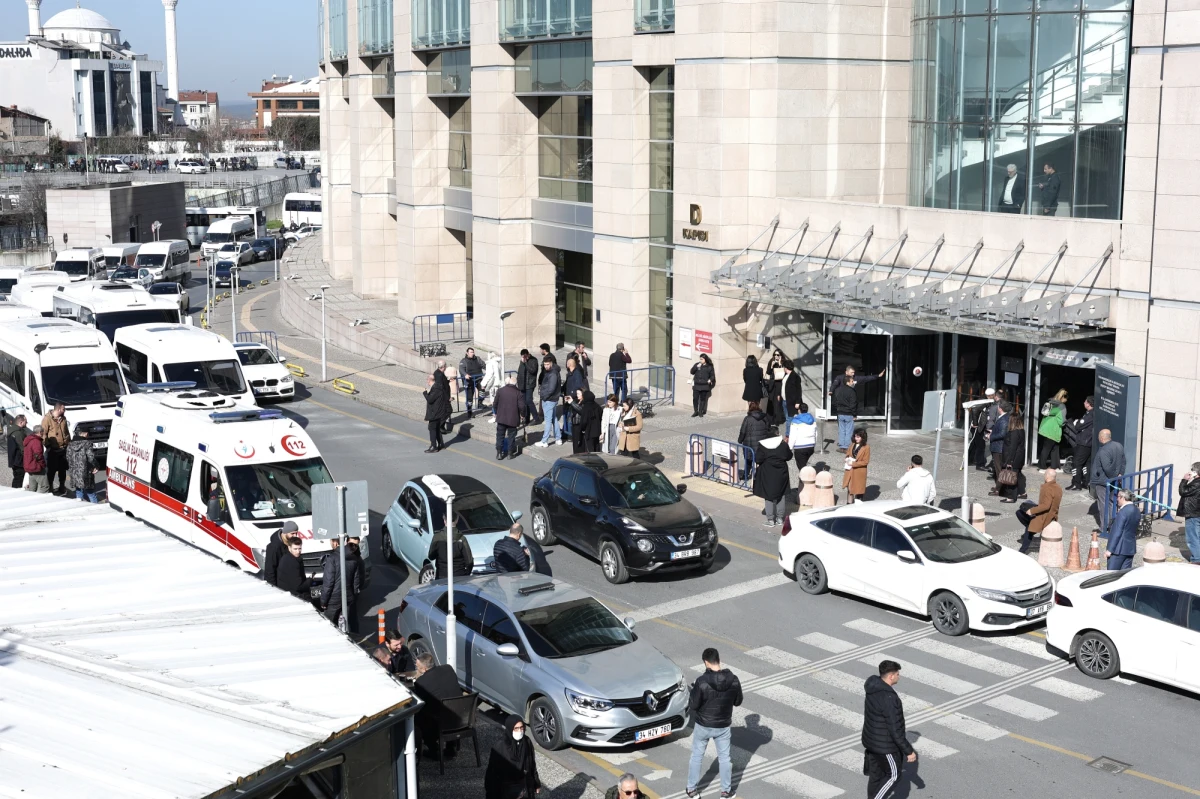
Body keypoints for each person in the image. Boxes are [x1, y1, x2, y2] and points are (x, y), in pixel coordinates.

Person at [685, 648, 742, 799]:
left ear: (706, 662)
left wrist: (693, 691)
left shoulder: (702, 681)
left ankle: (692, 790)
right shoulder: (734, 679)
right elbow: (738, 701)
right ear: (719, 659)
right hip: (723, 726)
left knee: (697, 756)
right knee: (725, 758)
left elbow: (694, 705)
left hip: (703, 725)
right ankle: (725, 792)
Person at [861, 660, 916, 799]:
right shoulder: (889, 698)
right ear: (891, 676)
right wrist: (908, 751)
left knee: (876, 777)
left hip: (871, 741)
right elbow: (895, 728)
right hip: (885, 746)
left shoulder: (873, 687)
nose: (899, 676)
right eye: (897, 674)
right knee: (894, 775)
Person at [412, 653, 466, 756]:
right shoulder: (448, 669)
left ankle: (434, 750)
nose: (417, 669)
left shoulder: (421, 682)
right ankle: (451, 747)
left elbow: (421, 703)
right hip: (463, 717)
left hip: (442, 724)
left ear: (423, 669)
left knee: (418, 717)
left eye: (418, 667)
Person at [485, 715, 541, 799]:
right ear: (510, 728)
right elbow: (492, 773)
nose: (520, 731)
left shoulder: (526, 742)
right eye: (516, 728)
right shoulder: (500, 746)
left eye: (521, 728)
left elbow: (531, 764)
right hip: (506, 790)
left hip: (524, 787)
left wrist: (536, 783)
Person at [320, 538, 363, 633]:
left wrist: (324, 601)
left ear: (335, 543)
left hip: (334, 599)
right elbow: (356, 581)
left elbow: (328, 582)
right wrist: (354, 596)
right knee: (349, 622)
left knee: (329, 625)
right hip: (348, 597)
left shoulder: (332, 559)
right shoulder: (354, 559)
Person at [1017, 469, 1062, 554]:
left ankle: (1022, 551)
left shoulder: (1047, 488)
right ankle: (1029, 528)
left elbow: (1046, 505)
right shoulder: (1058, 487)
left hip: (1044, 516)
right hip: (1052, 515)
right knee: (1021, 514)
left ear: (1047, 476)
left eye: (1045, 474)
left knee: (1028, 526)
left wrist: (1032, 510)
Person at [753, 433, 792, 527]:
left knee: (768, 495)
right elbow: (789, 456)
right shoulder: (783, 444)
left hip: (767, 472)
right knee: (781, 495)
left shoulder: (763, 445)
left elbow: (758, 459)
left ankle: (770, 520)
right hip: (781, 473)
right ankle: (779, 518)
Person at [1090, 428, 1126, 528]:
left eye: (1098, 436)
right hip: (1114, 481)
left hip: (1104, 482)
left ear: (1101, 438)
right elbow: (1123, 462)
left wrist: (1113, 477)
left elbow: (1107, 468)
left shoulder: (1103, 450)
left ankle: (1104, 527)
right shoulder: (1119, 446)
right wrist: (1120, 474)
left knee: (1103, 505)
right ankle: (1111, 524)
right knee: (1112, 503)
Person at [493, 375, 528, 461]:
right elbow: (522, 406)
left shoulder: (501, 390)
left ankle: (499, 453)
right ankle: (510, 453)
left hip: (501, 418)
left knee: (500, 435)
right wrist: (523, 415)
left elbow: (495, 403)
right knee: (511, 436)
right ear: (516, 384)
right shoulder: (519, 393)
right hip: (513, 419)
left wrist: (496, 412)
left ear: (508, 382)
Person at [998, 411, 1027, 503]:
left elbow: (1012, 448)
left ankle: (1011, 497)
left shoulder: (1014, 433)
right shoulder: (1021, 431)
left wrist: (1009, 461)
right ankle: (1022, 492)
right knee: (1017, 475)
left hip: (1013, 459)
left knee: (1010, 476)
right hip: (1019, 458)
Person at [1066, 396, 1094, 490]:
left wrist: (1076, 422)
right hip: (1088, 442)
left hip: (1084, 443)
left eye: (1085, 401)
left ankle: (1076, 483)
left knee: (1076, 463)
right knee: (1086, 463)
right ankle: (1085, 482)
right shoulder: (1091, 414)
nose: (1084, 403)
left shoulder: (1090, 415)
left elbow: (1078, 426)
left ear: (1089, 404)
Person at [42, 402, 70, 495]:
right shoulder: (47, 419)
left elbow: (66, 432)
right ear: (58, 409)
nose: (64, 411)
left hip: (63, 449)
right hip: (53, 449)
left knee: (63, 469)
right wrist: (48, 445)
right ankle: (50, 488)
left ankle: (62, 486)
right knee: (51, 470)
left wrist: (68, 442)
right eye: (63, 409)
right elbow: (44, 434)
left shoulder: (63, 419)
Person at [1107, 489, 1139, 570]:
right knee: (1124, 577)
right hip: (1130, 549)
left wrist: (1110, 550)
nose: (1117, 499)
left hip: (1118, 550)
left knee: (1112, 576)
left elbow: (1117, 532)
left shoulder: (1123, 512)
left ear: (1123, 498)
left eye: (1118, 497)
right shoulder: (1137, 510)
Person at [65, 429, 100, 502]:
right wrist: (96, 466)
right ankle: (96, 509)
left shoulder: (70, 445)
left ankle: (80, 505)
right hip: (86, 471)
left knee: (78, 490)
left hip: (74, 472)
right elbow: (91, 457)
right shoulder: (87, 444)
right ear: (86, 434)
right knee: (91, 492)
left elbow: (68, 458)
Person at [263, 520, 301, 587]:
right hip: (281, 585)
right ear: (285, 533)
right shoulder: (273, 547)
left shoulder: (291, 543)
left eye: (296, 533)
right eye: (292, 533)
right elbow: (270, 570)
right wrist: (273, 588)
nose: (295, 536)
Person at [535, 357, 563, 448]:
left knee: (548, 421)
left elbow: (551, 389)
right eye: (545, 364)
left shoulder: (552, 373)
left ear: (551, 363)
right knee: (553, 419)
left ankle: (544, 441)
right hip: (552, 399)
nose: (546, 366)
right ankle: (558, 438)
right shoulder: (552, 372)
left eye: (547, 364)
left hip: (549, 400)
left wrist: (544, 397)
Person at [1037, 389, 1068, 470]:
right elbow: (1061, 421)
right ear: (1063, 398)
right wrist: (1066, 423)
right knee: (1047, 449)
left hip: (1045, 428)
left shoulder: (1050, 403)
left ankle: (1055, 466)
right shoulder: (1062, 407)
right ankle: (1041, 466)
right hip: (1053, 430)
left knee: (1054, 448)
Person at [832, 369, 860, 452]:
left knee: (841, 430)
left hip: (840, 413)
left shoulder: (837, 390)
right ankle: (847, 446)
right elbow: (853, 404)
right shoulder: (852, 391)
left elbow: (834, 402)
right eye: (852, 381)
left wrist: (838, 408)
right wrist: (854, 414)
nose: (853, 382)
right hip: (849, 413)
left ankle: (842, 446)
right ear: (847, 382)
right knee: (849, 431)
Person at [1178, 463, 1200, 564]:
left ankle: (1197, 560)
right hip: (1196, 513)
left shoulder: (1197, 483)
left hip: (1193, 513)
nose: (1190, 471)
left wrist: (1184, 480)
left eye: (1192, 469)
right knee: (1197, 536)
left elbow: (1183, 491)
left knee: (1192, 538)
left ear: (1196, 472)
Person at [423, 372, 451, 453]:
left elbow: (430, 399)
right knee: (437, 428)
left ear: (429, 380)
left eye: (427, 380)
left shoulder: (435, 388)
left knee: (432, 428)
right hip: (439, 412)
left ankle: (433, 446)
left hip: (435, 413)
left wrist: (425, 393)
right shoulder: (439, 387)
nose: (427, 381)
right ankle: (441, 444)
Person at [968, 389, 995, 469]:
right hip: (977, 426)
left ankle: (970, 460)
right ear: (990, 395)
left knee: (975, 443)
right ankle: (980, 464)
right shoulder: (983, 401)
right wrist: (975, 424)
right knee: (981, 445)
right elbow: (974, 409)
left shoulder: (986, 399)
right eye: (993, 395)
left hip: (979, 425)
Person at [562, 356, 588, 438]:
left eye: (567, 363)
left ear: (569, 364)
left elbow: (578, 386)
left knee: (570, 416)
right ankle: (564, 433)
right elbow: (567, 384)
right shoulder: (570, 373)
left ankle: (572, 434)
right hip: (568, 397)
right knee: (566, 415)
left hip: (573, 399)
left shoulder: (576, 374)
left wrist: (571, 395)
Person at [843, 427, 870, 503]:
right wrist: (847, 458)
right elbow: (848, 453)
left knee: (858, 489)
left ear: (862, 437)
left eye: (858, 437)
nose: (856, 438)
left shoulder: (866, 447)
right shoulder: (852, 444)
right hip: (850, 470)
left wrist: (853, 463)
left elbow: (865, 461)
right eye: (855, 436)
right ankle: (849, 504)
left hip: (859, 471)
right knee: (850, 488)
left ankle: (858, 505)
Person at [570, 389, 601, 454]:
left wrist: (581, 429)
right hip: (597, 431)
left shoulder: (586, 407)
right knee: (596, 448)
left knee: (589, 450)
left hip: (589, 431)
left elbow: (584, 421)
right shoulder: (597, 406)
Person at [789, 403, 817, 471]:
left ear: (799, 410)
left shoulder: (795, 421)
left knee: (802, 468)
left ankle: (805, 480)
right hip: (810, 446)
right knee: (803, 464)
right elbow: (816, 434)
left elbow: (793, 436)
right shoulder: (812, 420)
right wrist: (814, 444)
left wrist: (790, 447)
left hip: (800, 447)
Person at [459, 347, 486, 418]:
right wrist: (465, 374)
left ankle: (480, 403)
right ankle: (469, 411)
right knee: (469, 398)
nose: (472, 353)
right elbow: (461, 369)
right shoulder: (463, 361)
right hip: (469, 381)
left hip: (479, 379)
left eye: (473, 352)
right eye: (471, 352)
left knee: (482, 391)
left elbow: (484, 365)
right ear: (467, 353)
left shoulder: (477, 358)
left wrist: (489, 370)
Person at [23, 425, 49, 494]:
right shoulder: (36, 441)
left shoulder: (29, 439)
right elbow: (38, 455)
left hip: (29, 466)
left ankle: (31, 501)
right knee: (45, 486)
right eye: (43, 432)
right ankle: (42, 501)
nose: (43, 434)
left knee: (32, 488)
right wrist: (43, 465)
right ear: (40, 432)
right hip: (36, 467)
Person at [988, 400, 1011, 480]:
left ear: (1000, 409)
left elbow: (1002, 434)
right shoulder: (1004, 417)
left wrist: (991, 436)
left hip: (999, 448)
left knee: (999, 470)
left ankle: (999, 489)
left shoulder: (1004, 420)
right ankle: (999, 487)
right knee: (999, 469)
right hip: (999, 447)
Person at [764, 349, 788, 425]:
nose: (776, 356)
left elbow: (784, 373)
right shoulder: (771, 361)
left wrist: (780, 364)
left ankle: (778, 420)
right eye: (775, 355)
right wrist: (771, 366)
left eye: (778, 355)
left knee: (778, 402)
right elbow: (768, 372)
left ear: (781, 355)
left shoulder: (783, 363)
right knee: (771, 401)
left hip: (779, 384)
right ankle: (770, 419)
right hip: (772, 384)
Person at [516, 349, 538, 425]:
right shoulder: (522, 361)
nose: (524, 357)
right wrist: (522, 363)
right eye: (523, 356)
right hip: (523, 384)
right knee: (524, 402)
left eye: (525, 356)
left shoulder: (534, 360)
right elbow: (520, 371)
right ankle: (527, 418)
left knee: (529, 400)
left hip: (530, 384)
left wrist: (525, 363)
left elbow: (533, 371)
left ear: (528, 354)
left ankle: (536, 417)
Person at [7, 414, 28, 489]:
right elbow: (22, 448)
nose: (27, 423)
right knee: (19, 479)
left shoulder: (12, 431)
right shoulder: (18, 433)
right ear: (21, 422)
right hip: (19, 461)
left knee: (17, 478)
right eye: (26, 421)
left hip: (14, 460)